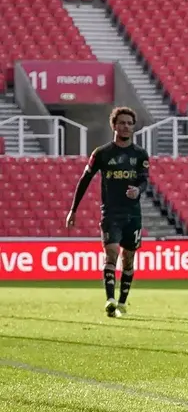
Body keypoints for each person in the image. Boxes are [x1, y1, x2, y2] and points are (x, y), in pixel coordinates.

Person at [65, 107, 149, 318]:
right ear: (114, 125)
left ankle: (122, 302)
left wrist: (138, 189)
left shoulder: (140, 154)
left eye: (129, 123)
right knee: (111, 254)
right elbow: (85, 180)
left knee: (128, 259)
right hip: (111, 213)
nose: (126, 126)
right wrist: (73, 209)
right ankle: (110, 300)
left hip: (133, 214)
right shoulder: (101, 153)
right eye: (122, 123)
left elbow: (144, 179)